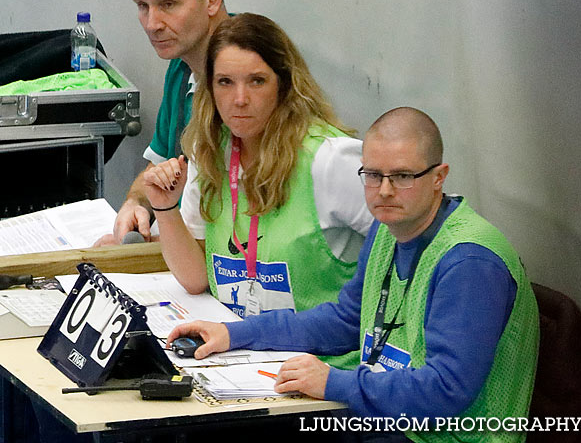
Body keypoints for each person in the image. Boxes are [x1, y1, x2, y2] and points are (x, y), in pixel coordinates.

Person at [169, 108, 539, 443]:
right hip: (387, 422)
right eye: (373, 175)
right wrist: (235, 333)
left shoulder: (470, 263)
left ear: (439, 177)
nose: (385, 191)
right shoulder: (388, 229)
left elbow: (445, 392)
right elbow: (346, 320)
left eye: (403, 176)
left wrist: (335, 382)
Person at [144, 13, 372, 316]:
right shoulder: (210, 150)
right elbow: (196, 279)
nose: (239, 99)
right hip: (243, 349)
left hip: (321, 357)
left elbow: (411, 245)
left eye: (257, 81)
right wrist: (165, 208)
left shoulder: (331, 159)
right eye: (225, 82)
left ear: (285, 84)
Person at [95, 0, 229, 245]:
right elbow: (160, 167)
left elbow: (242, 236)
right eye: (143, 5)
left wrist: (140, 255)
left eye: (167, 4)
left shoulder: (243, 79)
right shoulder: (182, 65)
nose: (152, 23)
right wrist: (136, 202)